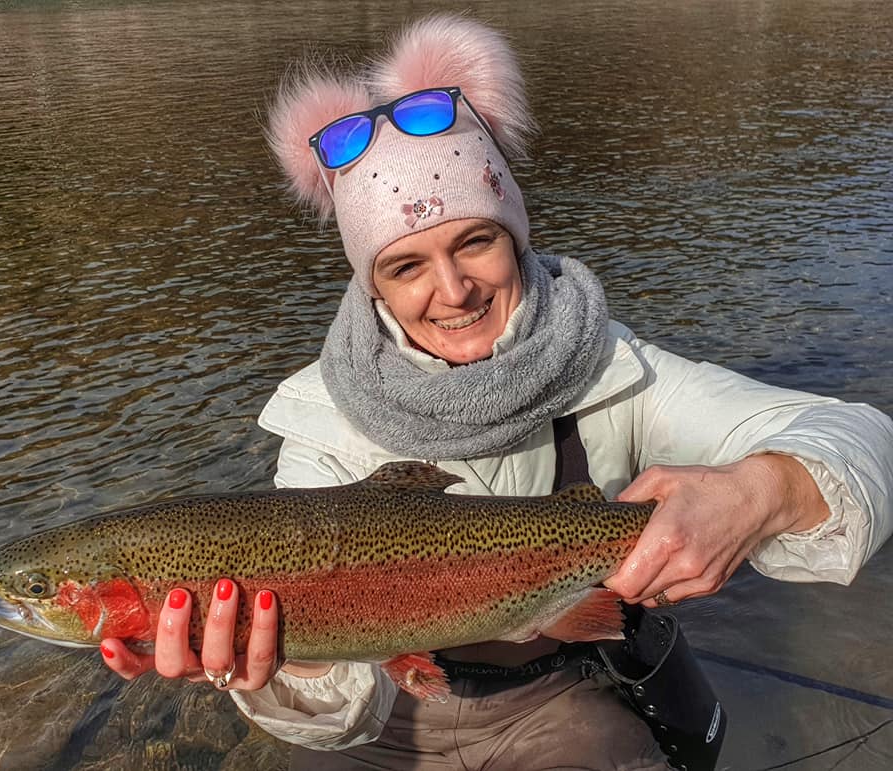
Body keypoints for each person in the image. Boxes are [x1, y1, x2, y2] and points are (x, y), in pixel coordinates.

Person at [99, 14, 893, 771]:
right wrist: (273, 666)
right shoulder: (322, 416)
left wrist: (760, 492)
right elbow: (342, 710)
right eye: (406, 266)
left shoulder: (611, 368)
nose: (452, 290)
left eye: (474, 241)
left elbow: (860, 438)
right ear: (371, 284)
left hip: (558, 694)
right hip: (383, 719)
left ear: (514, 232)